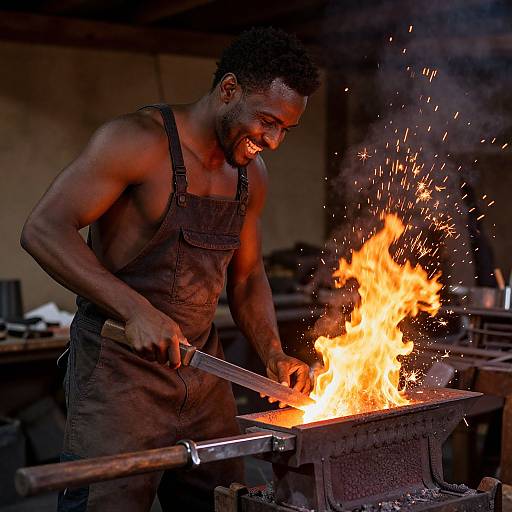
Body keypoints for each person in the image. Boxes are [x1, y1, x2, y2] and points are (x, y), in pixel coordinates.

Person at [21, 27, 320, 511]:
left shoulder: (251, 176)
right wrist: (135, 310)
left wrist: (273, 352)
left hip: (205, 382)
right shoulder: (136, 142)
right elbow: (43, 229)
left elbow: (246, 278)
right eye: (267, 121)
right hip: (120, 381)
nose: (273, 140)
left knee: (224, 501)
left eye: (285, 129)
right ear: (229, 90)